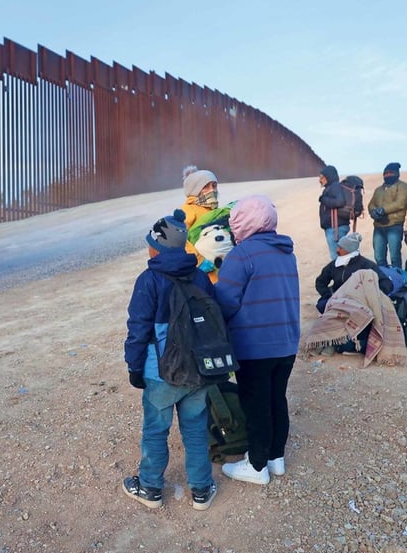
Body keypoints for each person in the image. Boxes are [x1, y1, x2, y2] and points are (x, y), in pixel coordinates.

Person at [122, 209, 218, 511]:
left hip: (160, 373)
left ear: (159, 247)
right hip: (198, 370)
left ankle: (150, 488)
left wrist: (134, 367)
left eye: (151, 242)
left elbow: (138, 330)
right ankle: (201, 491)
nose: (148, 246)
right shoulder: (201, 277)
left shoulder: (149, 280)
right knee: (194, 430)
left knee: (155, 430)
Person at [214, 195, 300, 485]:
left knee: (256, 404)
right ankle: (276, 458)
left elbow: (225, 300)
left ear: (244, 222)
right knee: (277, 399)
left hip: (255, 346)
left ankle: (256, 465)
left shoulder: (243, 254)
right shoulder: (286, 251)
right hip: (286, 342)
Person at [300, 269, 407, 366]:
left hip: (344, 339)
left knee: (337, 328)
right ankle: (334, 344)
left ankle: (330, 343)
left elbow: (322, 308)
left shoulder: (343, 295)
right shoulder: (382, 300)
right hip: (362, 343)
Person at [314, 232, 390, 314]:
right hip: (337, 299)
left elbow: (386, 283)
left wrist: (370, 297)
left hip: (359, 301)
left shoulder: (366, 264)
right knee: (322, 305)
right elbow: (320, 282)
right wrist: (328, 295)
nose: (337, 250)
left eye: (341, 248)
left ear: (349, 249)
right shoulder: (334, 265)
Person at [367, 162, 407, 269]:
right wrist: (373, 212)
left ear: (397, 173)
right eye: (385, 173)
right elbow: (371, 204)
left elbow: (401, 203)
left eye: (391, 172)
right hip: (378, 226)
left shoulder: (403, 187)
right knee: (379, 257)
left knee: (395, 256)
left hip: (394, 225)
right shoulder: (379, 190)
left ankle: (398, 281)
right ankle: (384, 279)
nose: (387, 175)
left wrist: (384, 210)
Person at [317, 165, 350, 260]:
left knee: (337, 258)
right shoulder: (331, 187)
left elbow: (340, 202)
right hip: (334, 228)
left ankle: (340, 274)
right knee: (340, 257)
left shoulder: (335, 187)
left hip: (336, 228)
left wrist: (323, 199)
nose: (320, 180)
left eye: (322, 177)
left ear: (329, 177)